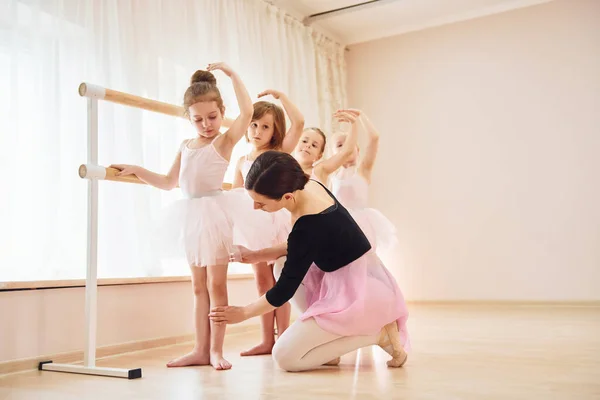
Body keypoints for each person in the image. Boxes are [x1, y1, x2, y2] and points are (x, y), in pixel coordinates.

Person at [209, 110, 409, 372]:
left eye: (261, 203)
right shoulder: (311, 185)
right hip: (347, 277)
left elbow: (284, 290)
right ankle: (329, 346)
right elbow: (298, 249)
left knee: (285, 358)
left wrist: (243, 313)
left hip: (359, 291)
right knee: (280, 263)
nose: (256, 208)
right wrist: (257, 255)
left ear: (287, 198)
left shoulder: (307, 223)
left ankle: (379, 334)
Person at [111, 63, 252, 370]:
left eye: (212, 117)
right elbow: (168, 182)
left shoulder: (224, 142)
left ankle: (216, 350)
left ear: (221, 111)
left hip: (215, 214)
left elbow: (248, 113)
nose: (206, 124)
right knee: (198, 287)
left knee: (217, 286)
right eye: (198, 119)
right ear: (188, 117)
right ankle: (200, 349)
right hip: (190, 217)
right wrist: (137, 169)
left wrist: (233, 75)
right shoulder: (185, 146)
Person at [231, 90, 304, 356]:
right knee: (262, 282)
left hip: (277, 220)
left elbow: (299, 123)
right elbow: (236, 194)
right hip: (253, 225)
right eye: (254, 125)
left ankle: (283, 335)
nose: (258, 131)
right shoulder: (241, 160)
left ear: (274, 131)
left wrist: (282, 96)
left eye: (265, 126)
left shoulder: (278, 152)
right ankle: (266, 340)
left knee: (279, 277)